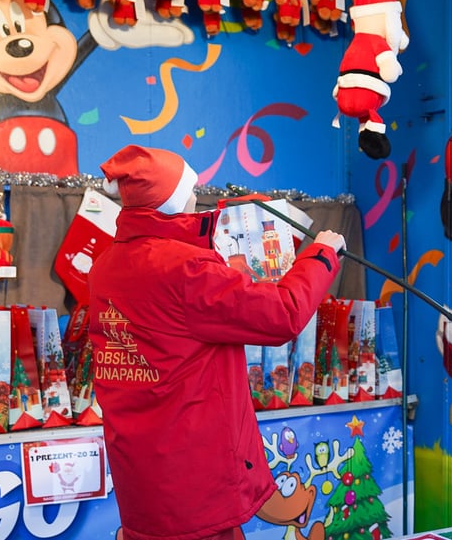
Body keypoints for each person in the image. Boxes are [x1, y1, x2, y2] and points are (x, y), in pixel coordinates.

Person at [87, 144, 347, 540]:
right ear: (174, 200)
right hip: (194, 475)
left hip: (138, 473)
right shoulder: (186, 269)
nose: (197, 195)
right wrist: (322, 255)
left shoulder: (107, 266)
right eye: (190, 188)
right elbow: (283, 314)